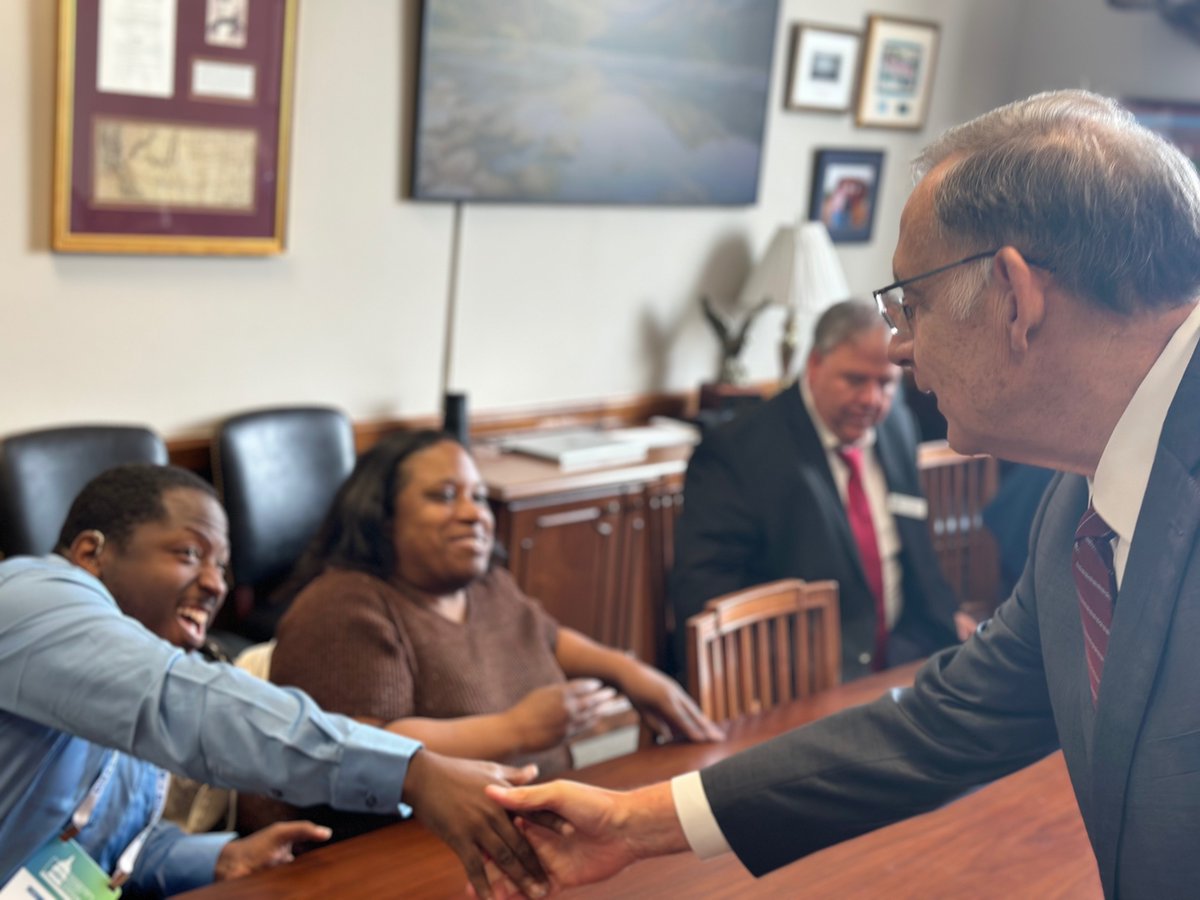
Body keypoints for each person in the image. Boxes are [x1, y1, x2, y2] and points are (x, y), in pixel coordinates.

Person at [483, 89, 1200, 899]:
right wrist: (634, 822)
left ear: (1014, 294)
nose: (897, 348)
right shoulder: (1077, 508)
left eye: (911, 302)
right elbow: (941, 724)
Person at [0, 464, 550, 899]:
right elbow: (186, 704)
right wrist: (411, 771)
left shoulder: (137, 649)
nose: (214, 584)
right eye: (190, 554)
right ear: (91, 553)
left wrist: (219, 859)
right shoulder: (32, 599)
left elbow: (104, 847)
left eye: (223, 567)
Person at [242, 430, 722, 838]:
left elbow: (547, 637)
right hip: (393, 853)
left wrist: (630, 671)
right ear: (382, 516)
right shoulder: (342, 605)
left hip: (521, 829)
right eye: (444, 496)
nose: (474, 514)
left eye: (477, 496)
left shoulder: (487, 584)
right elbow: (359, 744)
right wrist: (517, 730)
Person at [671, 298, 966, 680]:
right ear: (814, 364)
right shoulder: (737, 452)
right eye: (855, 380)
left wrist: (948, 621)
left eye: (885, 384)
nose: (872, 401)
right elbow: (706, 594)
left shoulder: (896, 425)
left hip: (904, 653)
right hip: (799, 675)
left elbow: (918, 552)